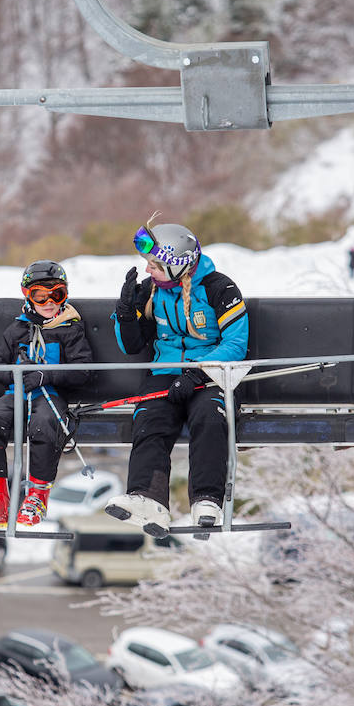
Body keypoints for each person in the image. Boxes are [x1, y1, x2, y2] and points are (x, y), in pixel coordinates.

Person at [104, 219, 248, 532]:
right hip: (165, 372)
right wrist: (127, 312)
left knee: (209, 416)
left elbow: (236, 343)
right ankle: (148, 496)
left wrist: (197, 374)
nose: (147, 272)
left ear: (175, 266)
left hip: (210, 374)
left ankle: (207, 499)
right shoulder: (151, 291)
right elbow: (131, 345)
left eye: (154, 265)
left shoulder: (218, 288)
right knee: (149, 418)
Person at [0, 260, 93, 529]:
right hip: (16, 392)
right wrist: (16, 372)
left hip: (49, 395)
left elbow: (82, 371)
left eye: (57, 294)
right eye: (40, 295)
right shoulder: (17, 329)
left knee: (44, 425)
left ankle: (37, 496)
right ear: (28, 296)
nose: (49, 302)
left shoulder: (70, 329)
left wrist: (46, 375)